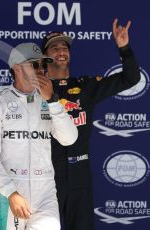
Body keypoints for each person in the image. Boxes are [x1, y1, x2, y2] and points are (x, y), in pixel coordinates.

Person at [41, 19, 141, 230]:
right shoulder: (33, 92)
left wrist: (124, 48)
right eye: (54, 47)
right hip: (45, 178)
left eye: (65, 47)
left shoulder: (86, 87)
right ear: (45, 56)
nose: (61, 51)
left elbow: (131, 79)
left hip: (80, 178)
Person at [0, 42, 78, 230]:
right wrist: (11, 193)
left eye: (43, 64)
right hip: (12, 191)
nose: (40, 70)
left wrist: (53, 101)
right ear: (16, 68)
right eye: (34, 65)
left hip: (46, 192)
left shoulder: (49, 101)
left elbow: (69, 138)